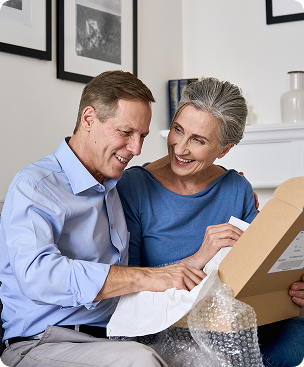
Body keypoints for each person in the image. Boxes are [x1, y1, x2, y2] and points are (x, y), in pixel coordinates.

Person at [0, 70, 206, 367]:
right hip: (42, 344)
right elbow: (38, 275)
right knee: (139, 362)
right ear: (88, 119)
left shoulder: (113, 186)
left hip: (115, 337)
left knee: (206, 358)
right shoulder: (35, 186)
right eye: (126, 133)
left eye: (143, 136)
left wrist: (224, 179)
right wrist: (144, 277)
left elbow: (165, 170)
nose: (136, 148)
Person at [117, 77, 304, 367]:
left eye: (198, 140)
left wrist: (290, 285)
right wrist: (197, 259)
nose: (180, 148)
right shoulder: (134, 186)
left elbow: (259, 270)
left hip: (232, 325)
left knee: (298, 340)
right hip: (165, 327)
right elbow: (126, 284)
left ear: (225, 149)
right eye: (178, 130)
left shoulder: (236, 188)